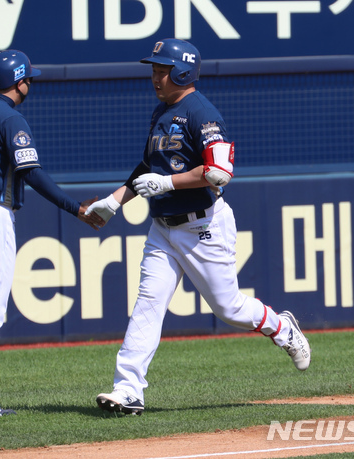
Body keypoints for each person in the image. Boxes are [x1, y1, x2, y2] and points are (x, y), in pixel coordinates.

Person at [87, 39, 311, 416]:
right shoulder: (162, 111)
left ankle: (281, 326)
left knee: (229, 307)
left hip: (202, 225)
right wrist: (114, 202)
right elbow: (147, 167)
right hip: (162, 228)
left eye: (162, 69)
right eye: (155, 69)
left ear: (183, 72)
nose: (155, 76)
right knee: (148, 304)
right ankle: (128, 390)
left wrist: (169, 183)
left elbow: (220, 172)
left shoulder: (201, 112)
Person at [0, 50, 104, 419]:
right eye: (28, 78)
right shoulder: (10, 118)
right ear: (18, 82)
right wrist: (75, 207)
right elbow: (32, 173)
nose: (30, 83)